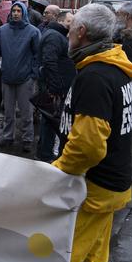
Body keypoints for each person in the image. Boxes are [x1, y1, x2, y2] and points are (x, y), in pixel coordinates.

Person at [53, 3, 132, 262]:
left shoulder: (95, 76)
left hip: (93, 188)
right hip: (112, 185)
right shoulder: (118, 68)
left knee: (59, 259)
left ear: (81, 32)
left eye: (70, 25)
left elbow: (88, 146)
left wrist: (58, 170)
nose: (67, 31)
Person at [0, 0, 40, 152]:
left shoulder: (33, 31)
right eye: (14, 11)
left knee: (26, 112)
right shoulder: (2, 31)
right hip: (7, 76)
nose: (16, 13)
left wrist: (34, 74)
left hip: (25, 78)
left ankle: (27, 139)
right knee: (8, 112)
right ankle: (7, 136)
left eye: (19, 11)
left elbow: (38, 55)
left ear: (23, 13)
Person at [36, 10, 75, 162]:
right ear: (61, 21)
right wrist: (54, 88)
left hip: (57, 85)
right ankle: (45, 154)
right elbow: (49, 62)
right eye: (70, 21)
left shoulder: (57, 35)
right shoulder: (54, 36)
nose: (72, 25)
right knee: (50, 120)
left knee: (50, 119)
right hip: (55, 88)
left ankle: (44, 152)